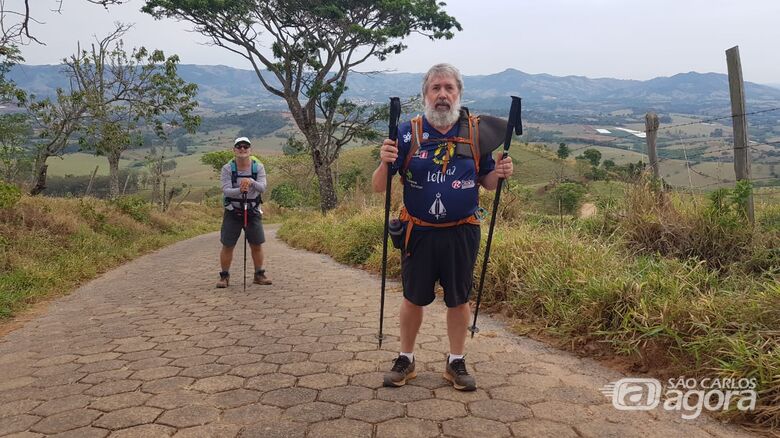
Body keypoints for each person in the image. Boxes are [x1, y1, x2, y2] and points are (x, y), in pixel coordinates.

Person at [371, 63, 514, 391]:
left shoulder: (476, 133)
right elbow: (380, 187)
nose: (442, 95)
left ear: (459, 94)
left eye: (449, 88)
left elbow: (489, 182)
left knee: (458, 299)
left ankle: (455, 362)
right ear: (425, 95)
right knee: (413, 298)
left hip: (461, 231)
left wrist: (502, 172)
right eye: (435, 88)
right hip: (417, 231)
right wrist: (384, 160)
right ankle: (405, 358)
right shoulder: (408, 133)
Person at [216, 136, 272, 288]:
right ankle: (224, 276)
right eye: (239, 146)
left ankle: (259, 274)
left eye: (245, 147)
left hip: (252, 210)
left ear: (250, 150)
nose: (242, 149)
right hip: (233, 211)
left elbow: (262, 187)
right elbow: (226, 191)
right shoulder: (228, 168)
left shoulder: (258, 167)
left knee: (257, 244)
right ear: (234, 150)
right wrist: (240, 189)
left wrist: (251, 182)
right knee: (227, 245)